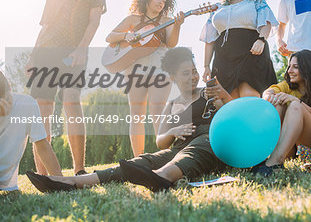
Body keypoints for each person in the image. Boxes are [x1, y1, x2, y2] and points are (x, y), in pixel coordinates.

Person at [26, 47, 231, 193]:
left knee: (194, 148)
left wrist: (221, 96)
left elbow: (232, 117)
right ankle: (71, 181)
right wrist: (172, 132)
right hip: (177, 147)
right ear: (172, 77)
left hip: (209, 140)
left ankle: (162, 177)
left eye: (194, 71)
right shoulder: (173, 104)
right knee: (144, 160)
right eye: (186, 73)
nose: (193, 77)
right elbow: (161, 141)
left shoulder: (208, 93)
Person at [25, 0, 106, 175]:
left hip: (73, 52)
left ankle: (79, 169)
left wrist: (82, 47)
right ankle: (44, 174)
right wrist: (32, 56)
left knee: (71, 99)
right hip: (45, 54)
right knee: (42, 111)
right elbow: (46, 27)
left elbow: (94, 21)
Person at [106, 0, 185, 157]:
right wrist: (126, 35)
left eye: (164, 0)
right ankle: (138, 159)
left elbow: (172, 44)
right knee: (136, 114)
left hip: (160, 68)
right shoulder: (133, 19)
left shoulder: (167, 21)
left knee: (157, 109)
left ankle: (165, 156)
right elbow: (110, 37)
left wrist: (177, 25)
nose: (161, 3)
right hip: (135, 69)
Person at [251, 50, 311, 175]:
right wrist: (269, 96)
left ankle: (275, 162)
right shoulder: (288, 86)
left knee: (295, 106)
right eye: (289, 66)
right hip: (291, 148)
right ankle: (262, 156)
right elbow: (269, 91)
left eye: (295, 67)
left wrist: (297, 102)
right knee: (279, 101)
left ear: (308, 69)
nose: (289, 70)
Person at [200, 0, 278, 97]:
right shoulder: (218, 8)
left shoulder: (256, 1)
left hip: (251, 53)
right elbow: (210, 38)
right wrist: (206, 66)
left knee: (248, 94)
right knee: (228, 98)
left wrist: (261, 40)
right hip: (224, 59)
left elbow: (266, 22)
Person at [0, 71, 62, 191]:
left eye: (7, 98)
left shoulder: (26, 104)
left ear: (10, 88)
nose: (5, 105)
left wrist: (60, 180)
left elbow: (42, 145)